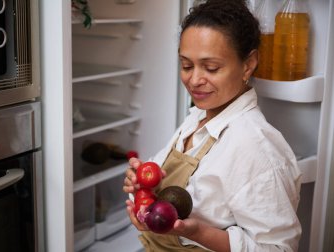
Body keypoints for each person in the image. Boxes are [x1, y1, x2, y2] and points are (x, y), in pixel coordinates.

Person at [123, 0, 302, 251]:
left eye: (211, 67)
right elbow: (160, 185)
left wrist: (200, 233)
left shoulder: (255, 147)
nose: (194, 80)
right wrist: (143, 187)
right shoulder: (197, 118)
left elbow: (278, 248)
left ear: (248, 64)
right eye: (186, 65)